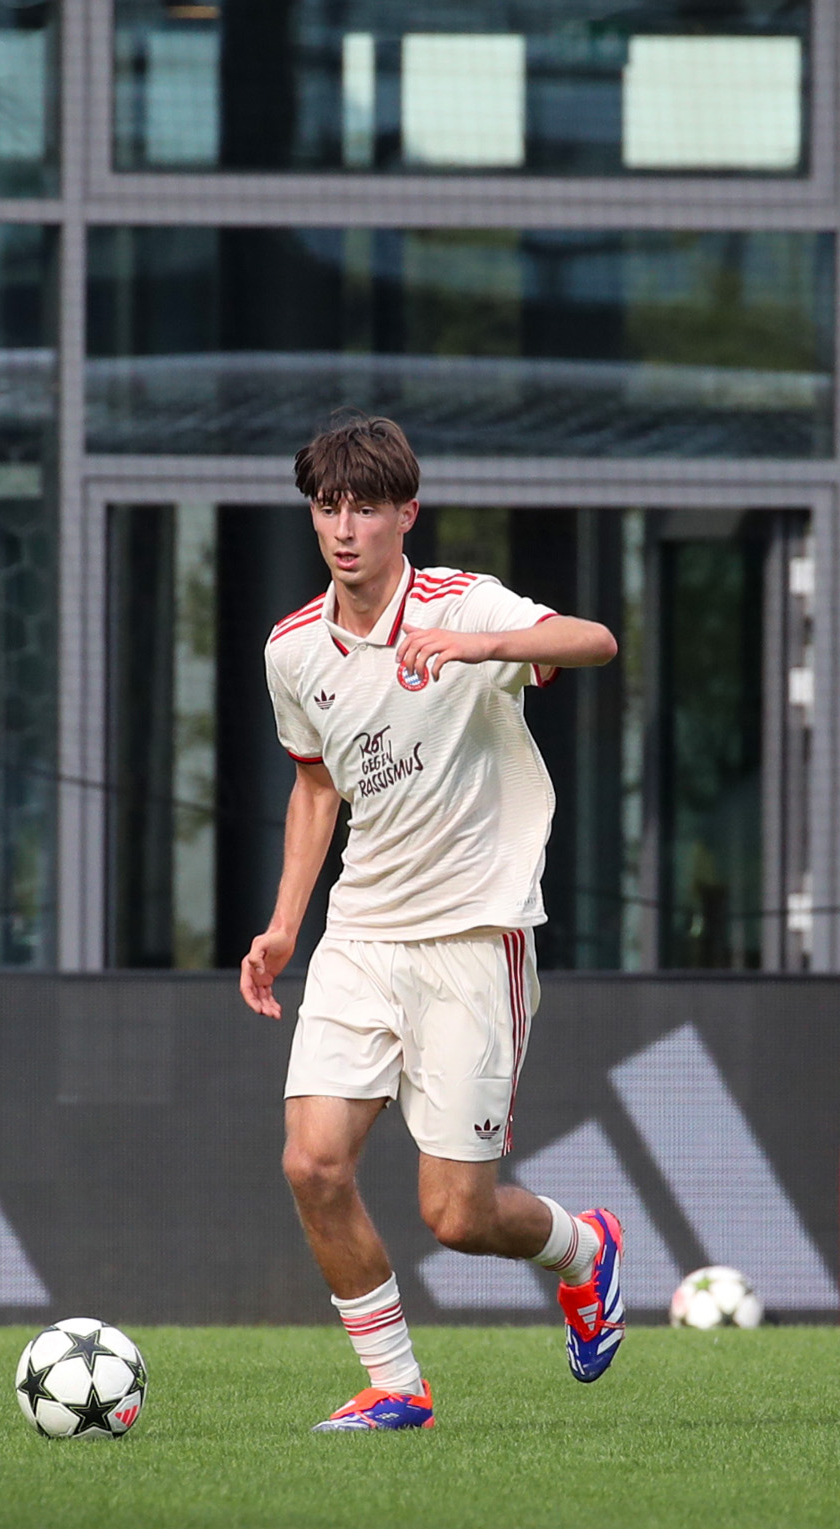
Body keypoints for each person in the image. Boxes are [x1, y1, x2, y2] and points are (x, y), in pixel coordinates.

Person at [239, 414, 626, 1433]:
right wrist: (284, 926)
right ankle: (396, 1385)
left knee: (457, 1213)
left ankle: (583, 1249)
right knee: (311, 1160)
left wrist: (485, 645)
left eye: (368, 505)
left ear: (407, 513)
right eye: (329, 506)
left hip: (473, 936)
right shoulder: (292, 649)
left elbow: (592, 640)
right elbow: (316, 786)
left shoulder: (463, 603)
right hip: (361, 933)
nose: (347, 525)